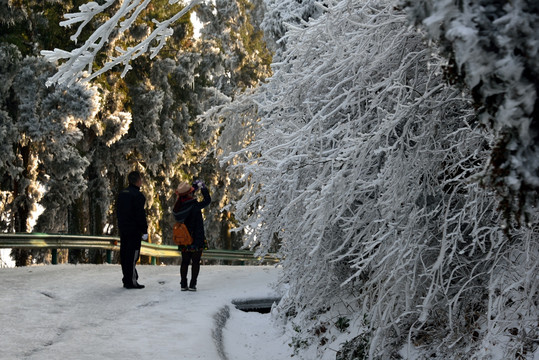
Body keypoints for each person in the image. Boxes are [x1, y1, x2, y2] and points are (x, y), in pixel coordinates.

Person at [173, 179, 211, 291]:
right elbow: (207, 200)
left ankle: (183, 284)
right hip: (196, 238)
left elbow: (187, 195)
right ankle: (192, 284)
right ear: (189, 194)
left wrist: (194, 187)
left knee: (185, 261)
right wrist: (203, 188)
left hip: (184, 237)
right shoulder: (194, 205)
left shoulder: (179, 206)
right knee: (195, 261)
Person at [116, 171, 148, 289]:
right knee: (133, 255)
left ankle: (126, 278)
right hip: (134, 230)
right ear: (138, 181)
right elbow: (140, 214)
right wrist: (144, 230)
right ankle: (131, 281)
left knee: (125, 254)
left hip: (124, 228)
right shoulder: (138, 196)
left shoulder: (122, 193)